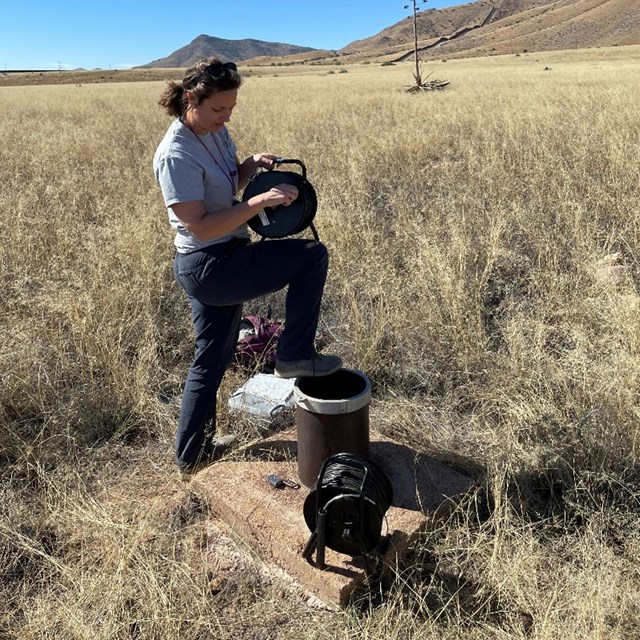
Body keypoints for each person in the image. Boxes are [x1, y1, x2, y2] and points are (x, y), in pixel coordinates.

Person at [153, 56, 342, 472]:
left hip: (222, 257)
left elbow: (224, 188)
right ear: (190, 99)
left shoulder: (216, 134)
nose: (225, 117)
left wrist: (248, 168)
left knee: (212, 358)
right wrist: (257, 202)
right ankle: (293, 354)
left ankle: (192, 456)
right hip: (210, 264)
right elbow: (200, 225)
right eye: (218, 109)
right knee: (312, 257)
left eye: (231, 109)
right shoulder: (175, 154)